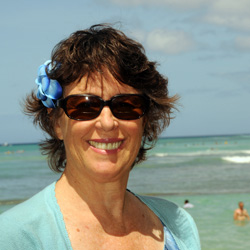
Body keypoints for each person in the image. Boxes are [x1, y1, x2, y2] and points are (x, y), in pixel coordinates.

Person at [0, 24, 200, 250]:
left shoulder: (177, 225)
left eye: (126, 106)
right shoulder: (15, 238)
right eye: (84, 107)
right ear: (56, 122)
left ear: (145, 121)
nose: (107, 123)